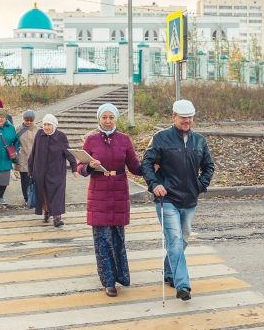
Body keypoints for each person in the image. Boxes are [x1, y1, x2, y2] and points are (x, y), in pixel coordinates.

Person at [142, 99, 215, 301]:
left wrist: (200, 185)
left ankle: (169, 271)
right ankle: (183, 285)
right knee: (174, 240)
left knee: (182, 239)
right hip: (167, 199)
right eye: (183, 117)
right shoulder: (160, 138)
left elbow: (209, 166)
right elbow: (146, 163)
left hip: (190, 200)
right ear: (173, 116)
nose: (187, 121)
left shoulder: (199, 140)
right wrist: (154, 184)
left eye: (190, 117)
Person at [76, 103, 143, 298]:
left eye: (111, 117)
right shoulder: (91, 140)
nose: (107, 121)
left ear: (115, 119)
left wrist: (153, 165)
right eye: (104, 117)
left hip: (119, 191)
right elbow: (80, 168)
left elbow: (135, 167)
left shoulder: (124, 139)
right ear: (99, 119)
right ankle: (108, 281)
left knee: (117, 238)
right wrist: (90, 166)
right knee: (102, 240)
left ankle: (121, 275)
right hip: (98, 193)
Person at [28, 114, 78, 227]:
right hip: (40, 171)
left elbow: (68, 152)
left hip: (56, 172)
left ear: (54, 125)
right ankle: (46, 211)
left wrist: (74, 167)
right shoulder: (39, 134)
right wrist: (30, 169)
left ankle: (57, 218)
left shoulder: (60, 136)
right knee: (43, 193)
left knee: (57, 194)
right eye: (44, 124)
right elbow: (33, 152)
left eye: (48, 124)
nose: (46, 127)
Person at [14, 109, 38, 205]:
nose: (28, 122)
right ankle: (26, 198)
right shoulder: (18, 129)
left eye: (30, 120)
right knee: (25, 179)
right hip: (22, 157)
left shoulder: (38, 129)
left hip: (35, 158)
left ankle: (34, 197)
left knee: (35, 179)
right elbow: (14, 142)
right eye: (26, 120)